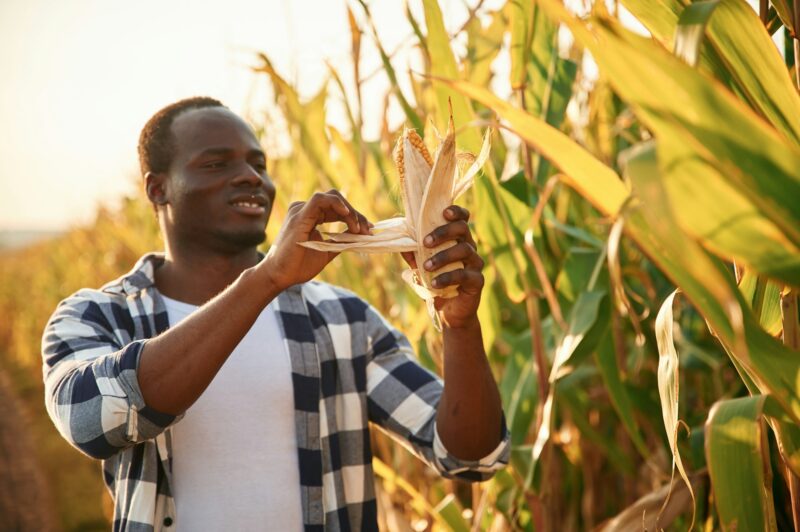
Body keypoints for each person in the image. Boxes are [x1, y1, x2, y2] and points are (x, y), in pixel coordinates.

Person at [42, 97, 509, 531]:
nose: (251, 176)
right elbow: (93, 421)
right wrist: (266, 279)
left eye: (258, 164)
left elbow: (471, 455)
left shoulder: (344, 320)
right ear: (157, 188)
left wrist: (459, 325)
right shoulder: (97, 316)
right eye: (216, 163)